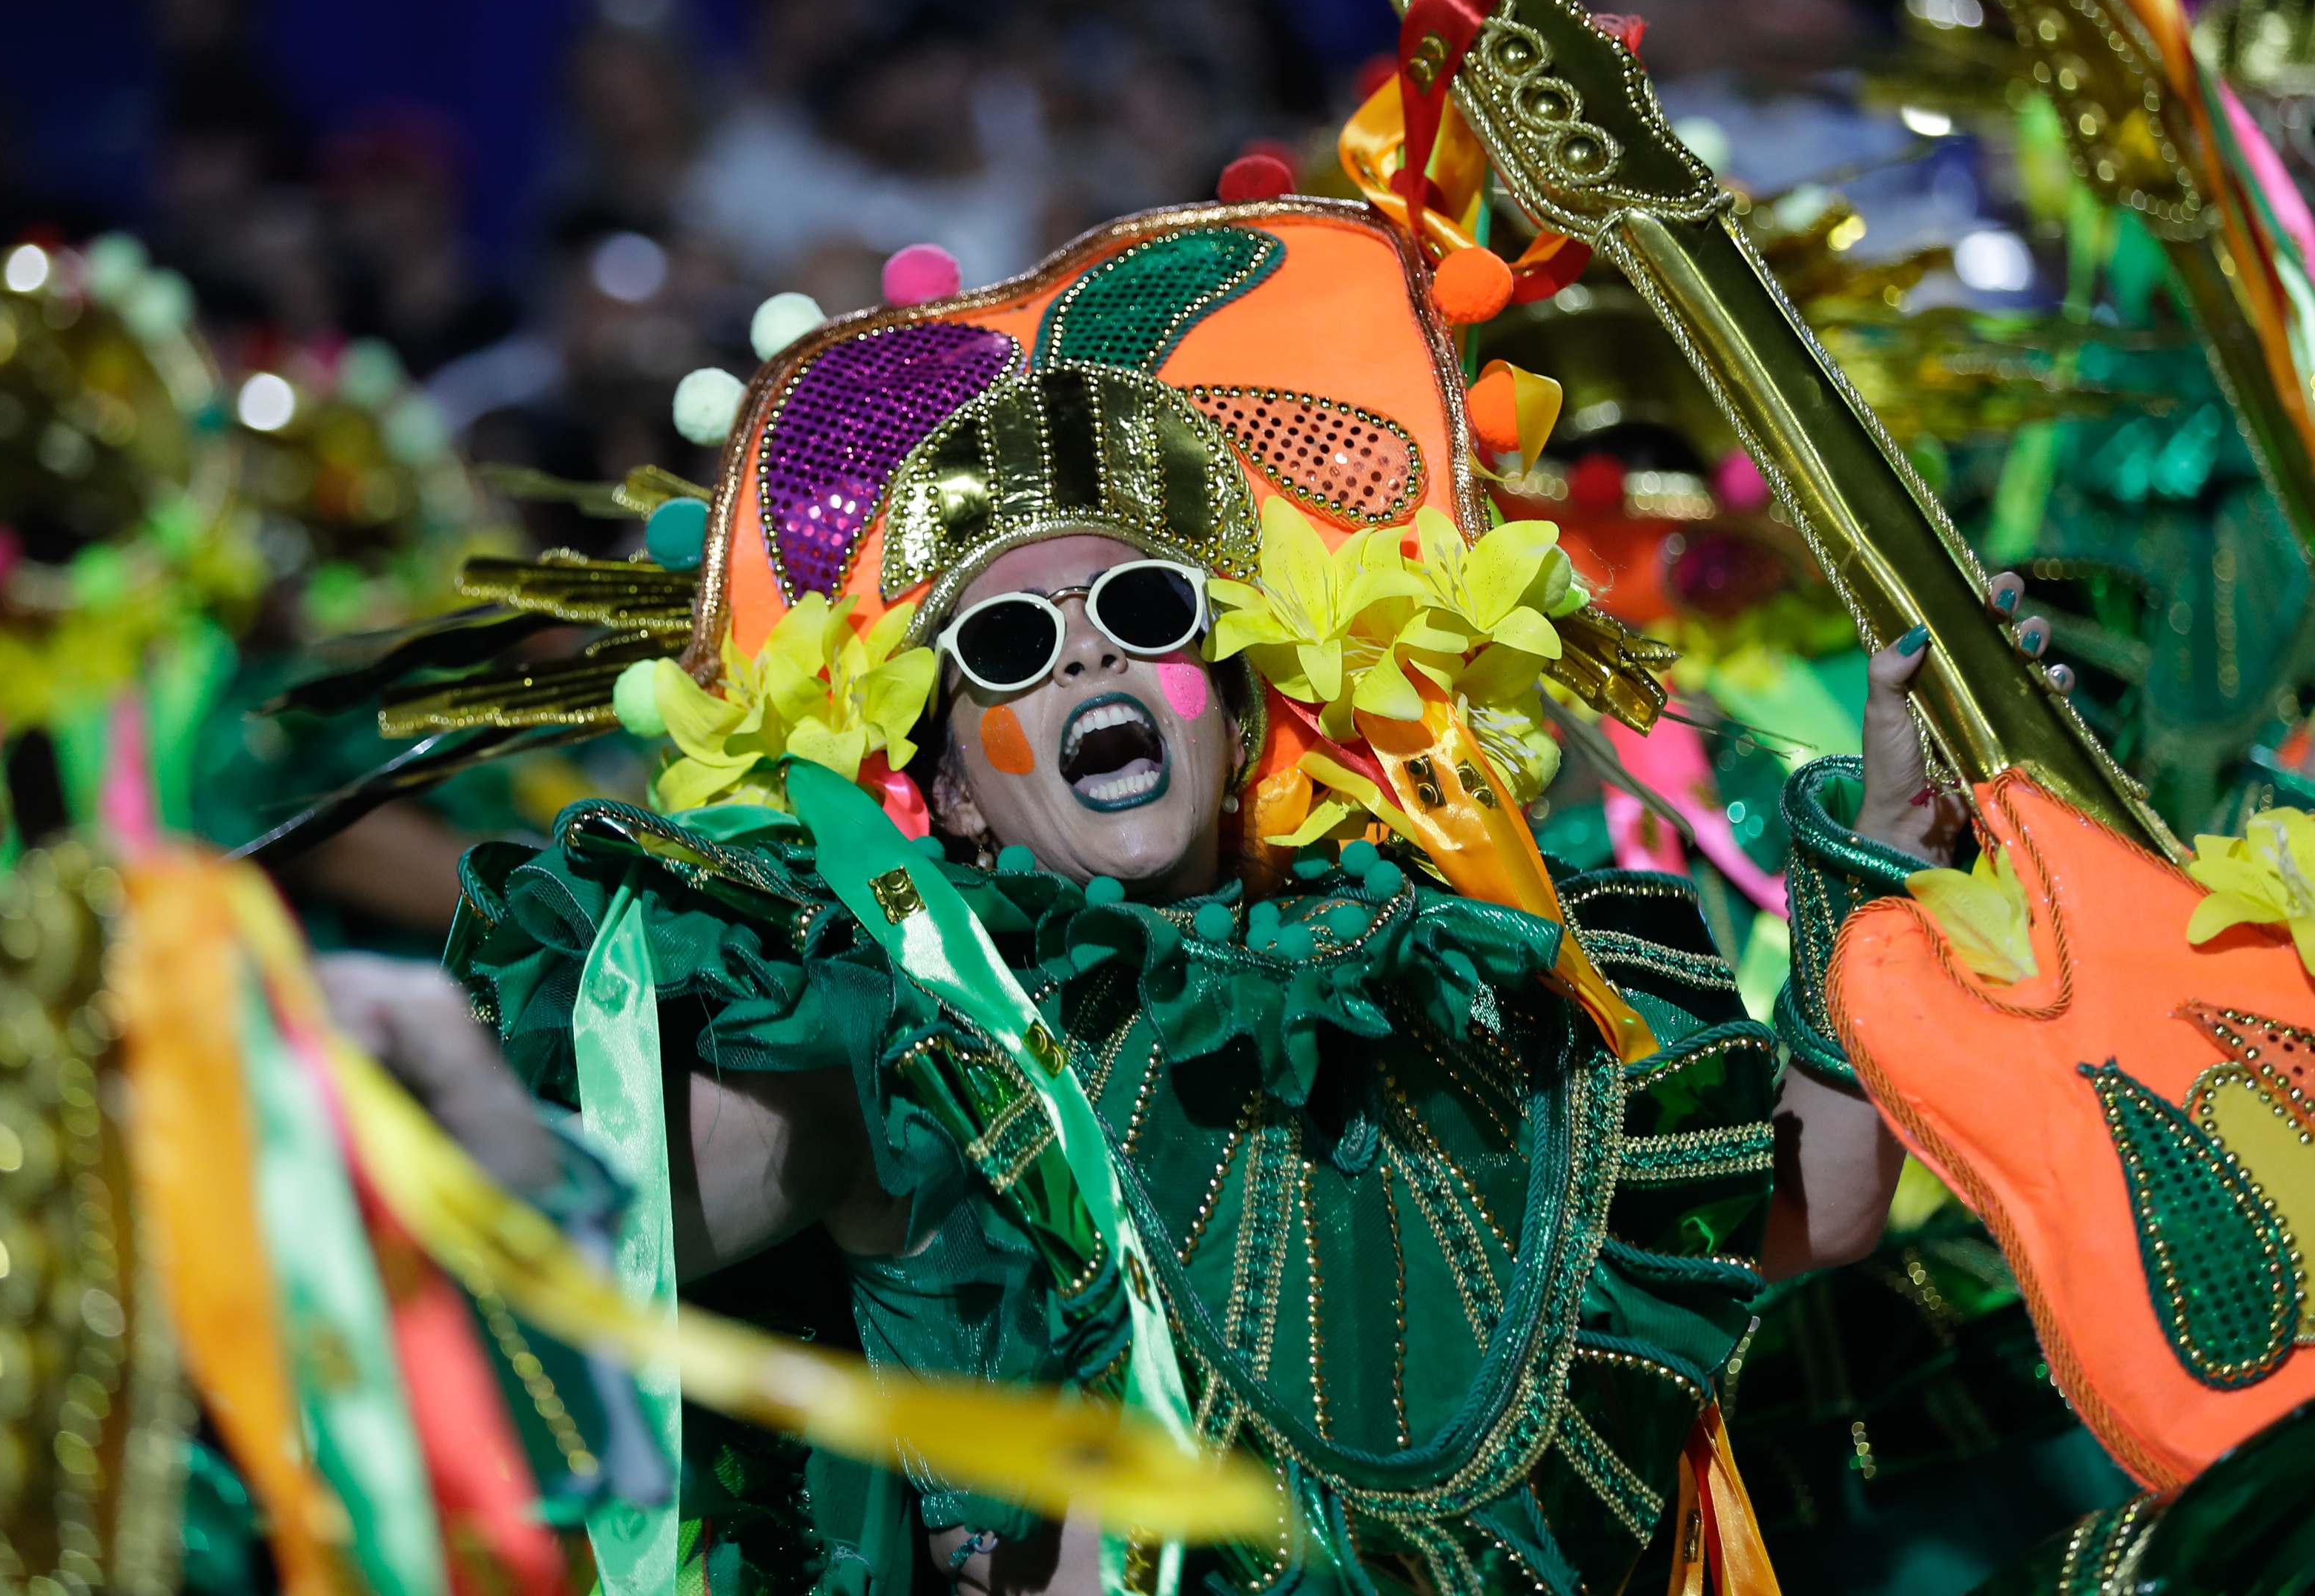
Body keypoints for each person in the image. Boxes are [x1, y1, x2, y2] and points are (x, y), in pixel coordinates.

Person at [297, 192, 2116, 1596]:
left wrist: (1888, 842)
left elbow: (1819, 1207)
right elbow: (586, 1238)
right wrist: (354, 1114)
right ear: (940, 782)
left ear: (1239, 706)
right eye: (1012, 643)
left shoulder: (1469, 983)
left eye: (1150, 615)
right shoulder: (911, 1040)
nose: (1093, 656)